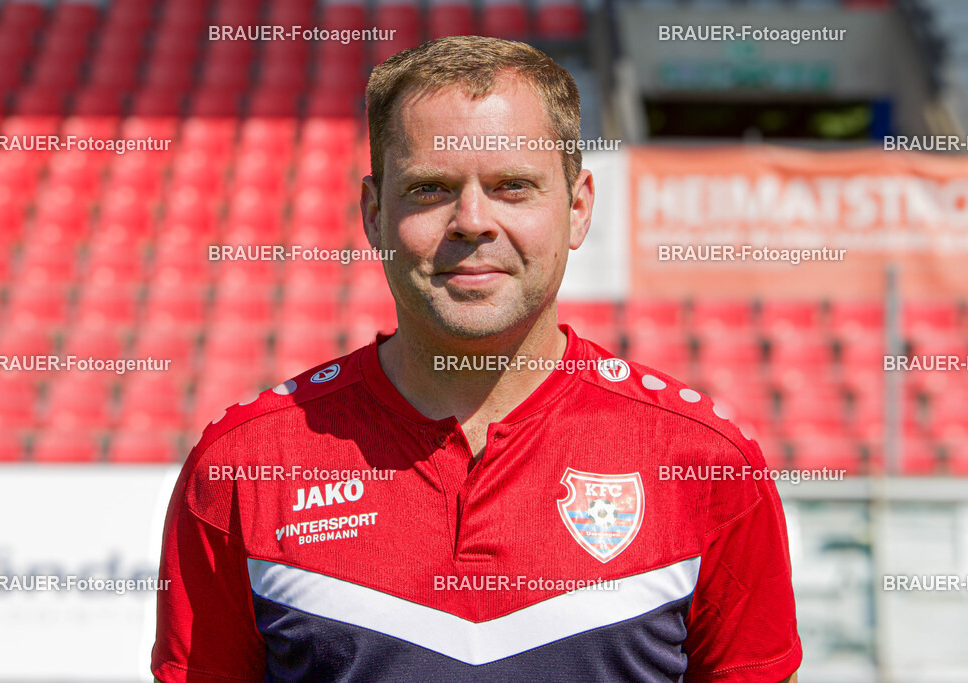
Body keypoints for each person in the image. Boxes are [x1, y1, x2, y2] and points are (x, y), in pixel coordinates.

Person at [153, 35, 801, 682]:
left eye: (512, 186)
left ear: (577, 208)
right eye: (431, 189)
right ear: (374, 213)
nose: (471, 220)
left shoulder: (707, 465)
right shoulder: (244, 467)